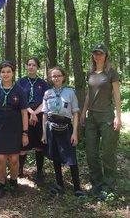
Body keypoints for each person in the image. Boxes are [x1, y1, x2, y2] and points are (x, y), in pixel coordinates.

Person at [80, 43, 122, 200]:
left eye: (100, 53)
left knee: (107, 153)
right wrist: (84, 111)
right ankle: (96, 184)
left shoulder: (111, 73)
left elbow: (117, 95)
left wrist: (118, 116)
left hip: (107, 117)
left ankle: (109, 186)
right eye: (95, 53)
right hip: (92, 118)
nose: (98, 56)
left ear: (106, 55)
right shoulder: (90, 73)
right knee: (91, 153)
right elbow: (88, 95)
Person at [0, 60, 29, 198]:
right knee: (1, 158)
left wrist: (25, 133)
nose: (5, 74)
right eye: (3, 72)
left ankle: (14, 182)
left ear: (13, 73)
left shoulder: (19, 90)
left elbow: (24, 113)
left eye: (8, 71)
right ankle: (1, 183)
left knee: (14, 159)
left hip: (15, 128)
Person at [42, 66, 84, 197]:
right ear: (50, 78)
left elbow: (75, 113)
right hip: (52, 128)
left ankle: (77, 187)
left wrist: (75, 133)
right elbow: (44, 114)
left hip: (66, 128)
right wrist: (44, 133)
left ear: (64, 77)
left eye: (58, 75)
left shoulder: (70, 92)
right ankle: (59, 184)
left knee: (71, 157)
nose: (56, 78)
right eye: (53, 76)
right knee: (55, 156)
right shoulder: (47, 93)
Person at [17, 58, 48, 184]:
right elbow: (19, 99)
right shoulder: (21, 82)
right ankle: (19, 169)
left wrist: (35, 113)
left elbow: (45, 100)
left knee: (39, 146)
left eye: (34, 65)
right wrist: (30, 112)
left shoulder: (43, 83)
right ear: (26, 66)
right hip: (25, 113)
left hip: (39, 115)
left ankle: (39, 172)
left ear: (38, 67)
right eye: (29, 64)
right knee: (24, 144)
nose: (31, 67)